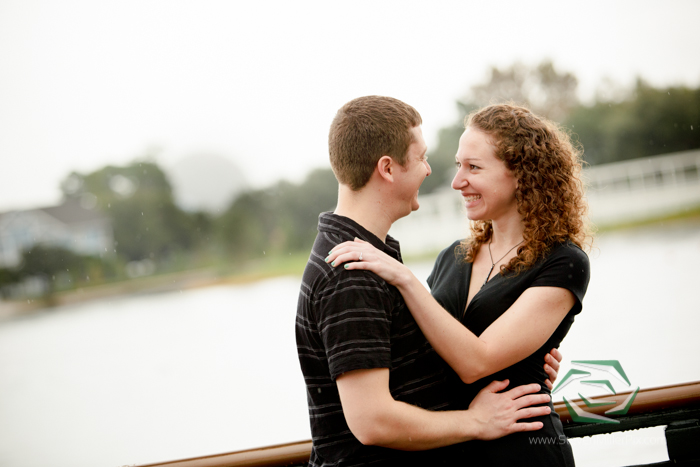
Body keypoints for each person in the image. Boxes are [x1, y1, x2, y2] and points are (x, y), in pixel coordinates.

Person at [296, 97, 564, 467]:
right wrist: (475, 422)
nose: (430, 171)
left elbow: (426, 350)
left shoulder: (371, 257)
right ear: (388, 169)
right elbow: (372, 422)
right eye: (422, 157)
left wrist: (526, 358)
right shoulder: (352, 271)